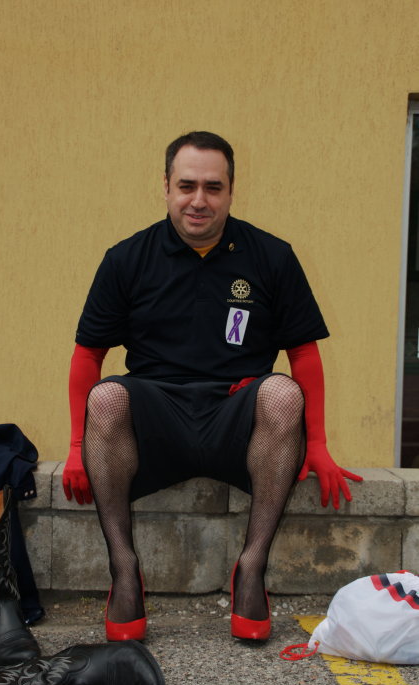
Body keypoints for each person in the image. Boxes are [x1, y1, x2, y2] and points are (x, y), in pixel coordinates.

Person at [62, 131, 362, 642]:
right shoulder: (126, 259)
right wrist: (76, 447)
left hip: (234, 418)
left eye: (212, 187)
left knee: (283, 392)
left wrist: (317, 444)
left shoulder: (271, 256)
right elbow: (88, 356)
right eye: (187, 186)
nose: (198, 200)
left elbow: (304, 355)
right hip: (158, 420)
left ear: (231, 190)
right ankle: (124, 570)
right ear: (165, 187)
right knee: (107, 396)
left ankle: (251, 568)